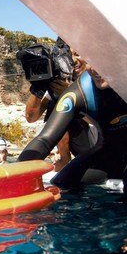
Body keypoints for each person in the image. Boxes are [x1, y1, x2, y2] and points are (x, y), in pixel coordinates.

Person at [18, 63, 127, 192]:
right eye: (90, 60)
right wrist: (12, 175)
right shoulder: (79, 92)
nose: (93, 69)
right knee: (60, 183)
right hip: (107, 154)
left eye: (102, 60)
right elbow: (44, 139)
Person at [20, 39, 89, 170]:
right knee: (57, 104)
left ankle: (65, 161)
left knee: (65, 103)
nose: (73, 60)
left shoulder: (97, 80)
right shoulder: (59, 82)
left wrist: (70, 95)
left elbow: (101, 121)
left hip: (99, 144)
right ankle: (64, 159)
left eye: (78, 54)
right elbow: (31, 117)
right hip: (77, 152)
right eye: (69, 55)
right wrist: (38, 88)